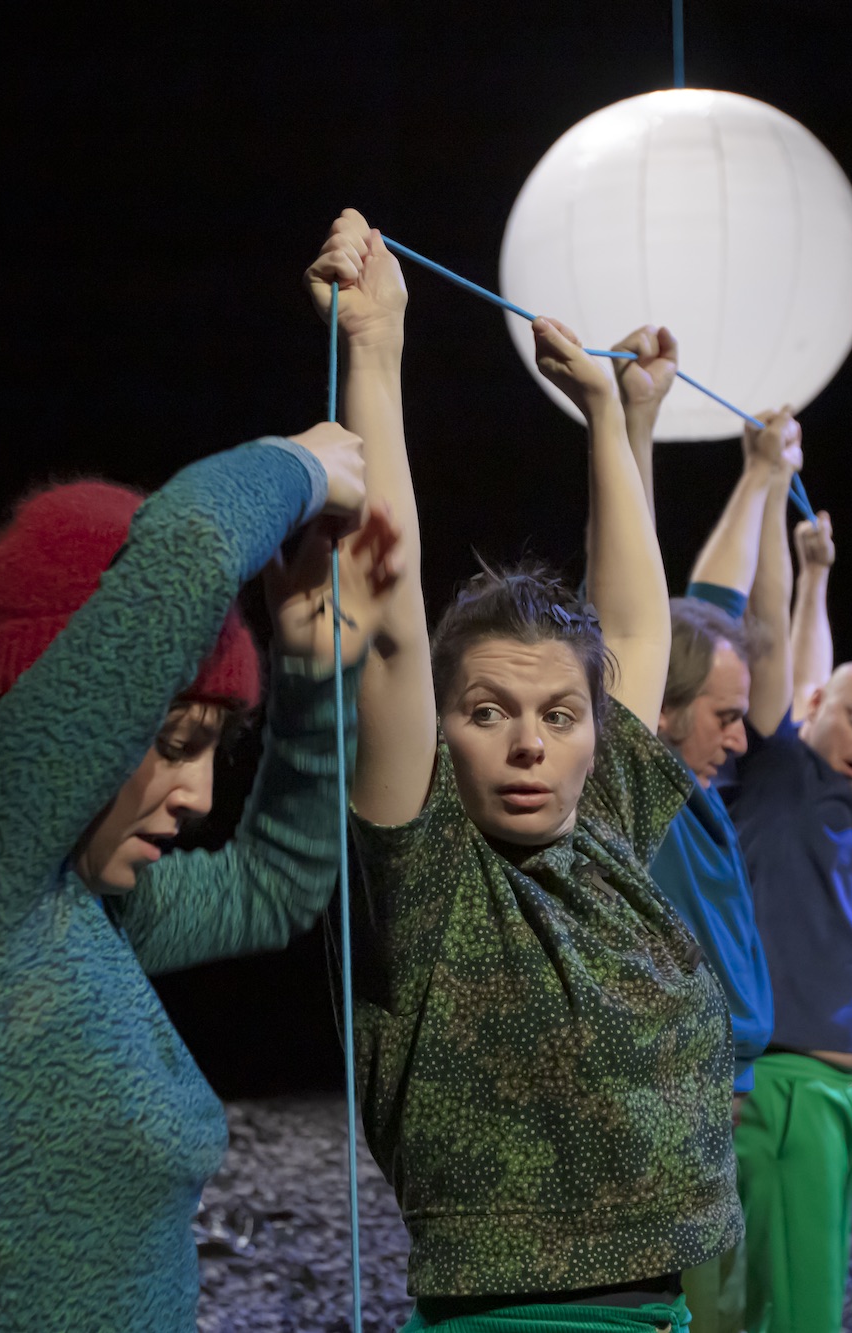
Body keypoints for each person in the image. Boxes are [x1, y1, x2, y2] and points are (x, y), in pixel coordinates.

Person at [0, 424, 400, 1332]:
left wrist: (314, 672)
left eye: (214, 750)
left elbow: (274, 883)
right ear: (64, 707)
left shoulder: (82, 916)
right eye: (173, 742)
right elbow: (189, 543)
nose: (200, 795)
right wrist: (301, 467)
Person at [307, 208, 739, 1332]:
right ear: (440, 727)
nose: (529, 743)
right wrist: (376, 349)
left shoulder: (604, 825)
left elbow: (635, 631)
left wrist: (607, 415)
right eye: (488, 711)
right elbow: (388, 619)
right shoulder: (428, 864)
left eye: (559, 714)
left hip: (658, 1312)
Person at [618, 329, 787, 1333]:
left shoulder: (700, 794)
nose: (742, 732)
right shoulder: (645, 790)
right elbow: (631, 611)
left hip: (723, 1111)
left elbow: (708, 604)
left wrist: (759, 479)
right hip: (674, 1125)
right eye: (724, 714)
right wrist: (633, 425)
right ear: (663, 706)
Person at [722, 456, 852, 1333]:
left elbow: (815, 674)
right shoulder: (782, 778)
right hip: (783, 1089)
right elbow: (782, 652)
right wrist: (767, 487)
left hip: (824, 1100)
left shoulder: (841, 801)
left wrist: (818, 574)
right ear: (816, 707)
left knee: (789, 1307)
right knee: (783, 1316)